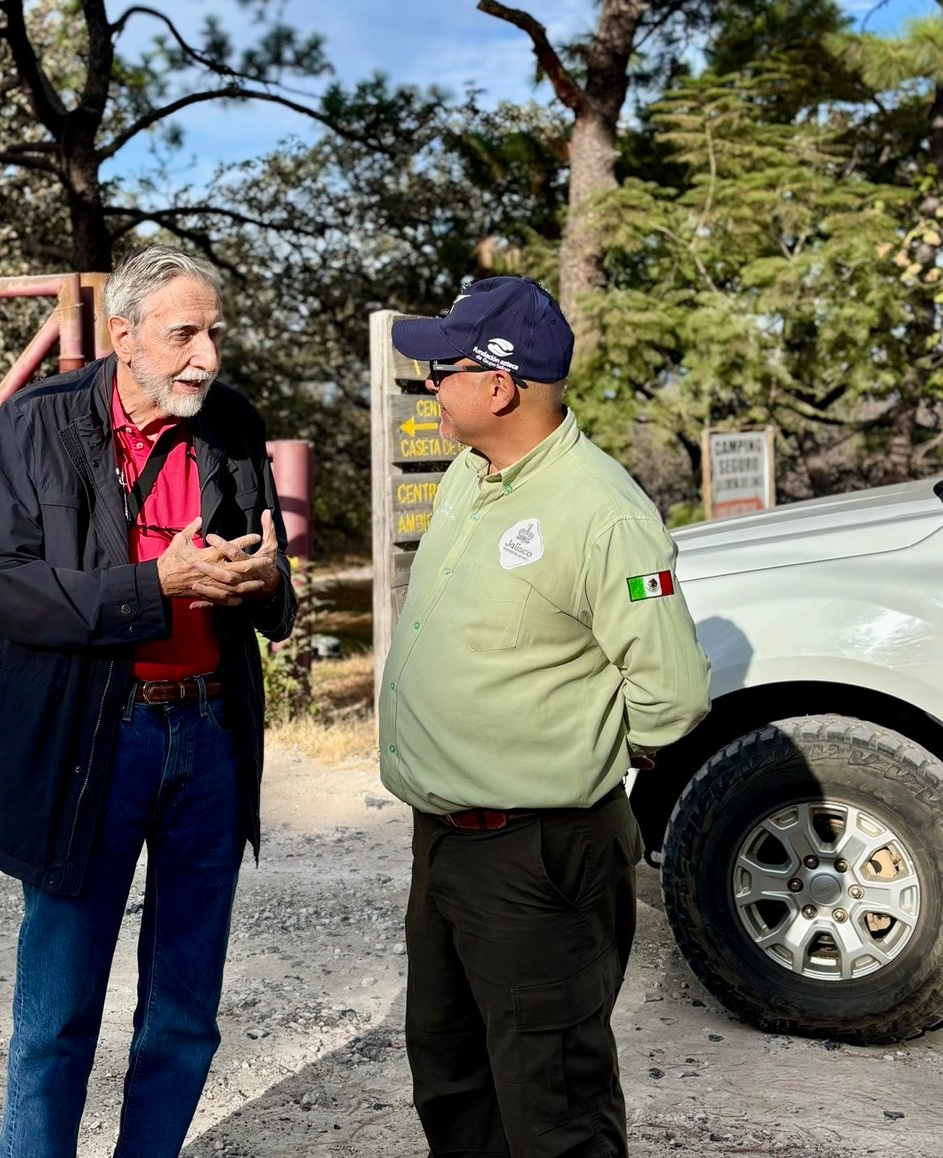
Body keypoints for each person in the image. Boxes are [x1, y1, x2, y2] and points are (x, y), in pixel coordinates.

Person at [0, 245, 296, 1158]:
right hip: (93, 745)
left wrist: (261, 587)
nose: (207, 357)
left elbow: (279, 597)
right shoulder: (40, 423)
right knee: (57, 1017)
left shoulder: (230, 422)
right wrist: (156, 586)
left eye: (214, 333)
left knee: (185, 1014)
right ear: (123, 336)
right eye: (183, 334)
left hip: (211, 738)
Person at [380, 276, 711, 1157]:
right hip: (445, 840)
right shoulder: (469, 475)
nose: (428, 387)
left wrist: (577, 757)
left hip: (537, 852)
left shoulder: (603, 513)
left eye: (439, 370)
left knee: (553, 1104)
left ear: (498, 385)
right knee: (452, 1077)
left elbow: (672, 697)